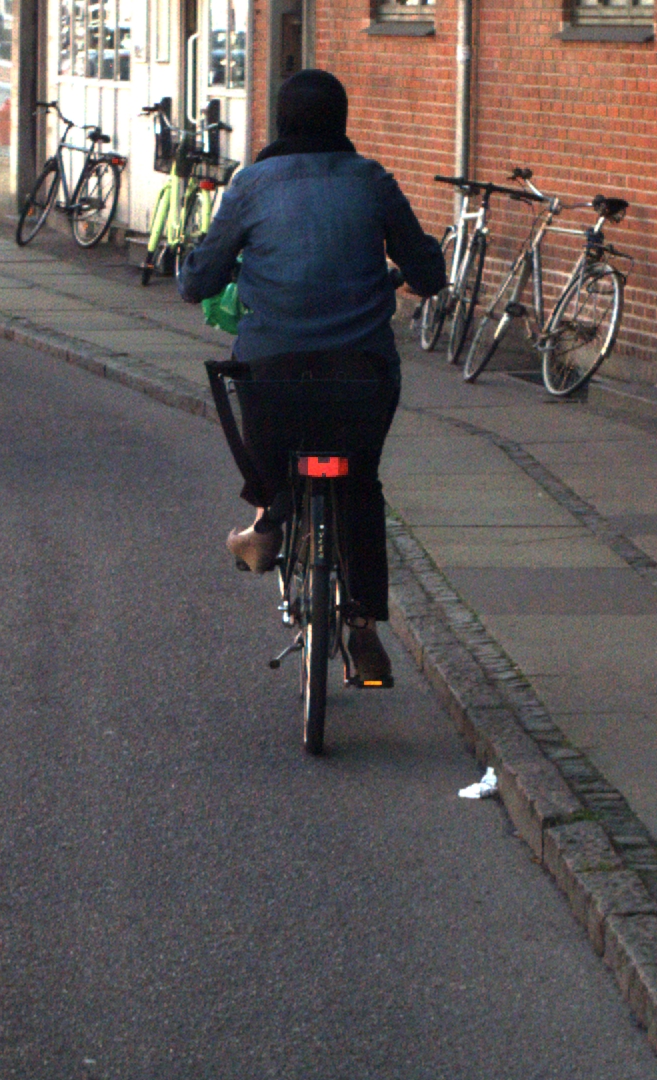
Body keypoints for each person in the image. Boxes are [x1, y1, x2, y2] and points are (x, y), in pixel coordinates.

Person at [178, 71, 444, 685]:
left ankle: (270, 521)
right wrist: (414, 266)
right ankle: (364, 627)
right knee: (360, 482)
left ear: (281, 121)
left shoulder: (251, 186)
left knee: (277, 449)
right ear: (342, 121)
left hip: (273, 373)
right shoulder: (371, 181)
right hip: (361, 375)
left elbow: (198, 283)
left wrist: (208, 270)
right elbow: (428, 274)